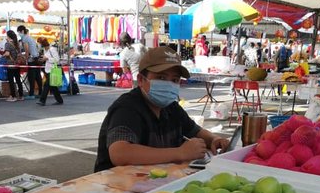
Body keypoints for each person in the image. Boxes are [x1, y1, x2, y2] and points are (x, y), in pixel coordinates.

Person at [94, 46, 230, 172]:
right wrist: (180, 153)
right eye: (161, 77)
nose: (168, 85)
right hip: (115, 188)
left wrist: (214, 139)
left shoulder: (171, 107)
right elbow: (120, 153)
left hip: (153, 181)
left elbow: (196, 131)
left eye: (175, 80)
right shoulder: (127, 108)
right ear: (141, 80)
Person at [36, 39, 64, 106]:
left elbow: (57, 59)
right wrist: (44, 59)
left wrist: (47, 59)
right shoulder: (46, 50)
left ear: (43, 45)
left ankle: (42, 100)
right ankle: (59, 100)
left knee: (47, 85)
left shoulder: (52, 49)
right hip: (48, 70)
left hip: (52, 70)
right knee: (53, 86)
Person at [17, 25, 42, 99]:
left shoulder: (25, 39)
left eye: (18, 32)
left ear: (21, 31)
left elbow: (27, 51)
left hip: (32, 60)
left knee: (32, 77)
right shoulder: (30, 37)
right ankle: (40, 92)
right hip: (36, 58)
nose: (19, 34)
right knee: (38, 76)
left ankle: (31, 94)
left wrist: (25, 59)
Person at [3, 30, 24, 102]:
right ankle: (21, 95)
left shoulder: (7, 44)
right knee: (18, 80)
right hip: (17, 64)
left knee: (11, 80)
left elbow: (7, 53)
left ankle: (13, 96)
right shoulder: (17, 43)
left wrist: (3, 55)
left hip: (11, 64)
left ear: (8, 36)